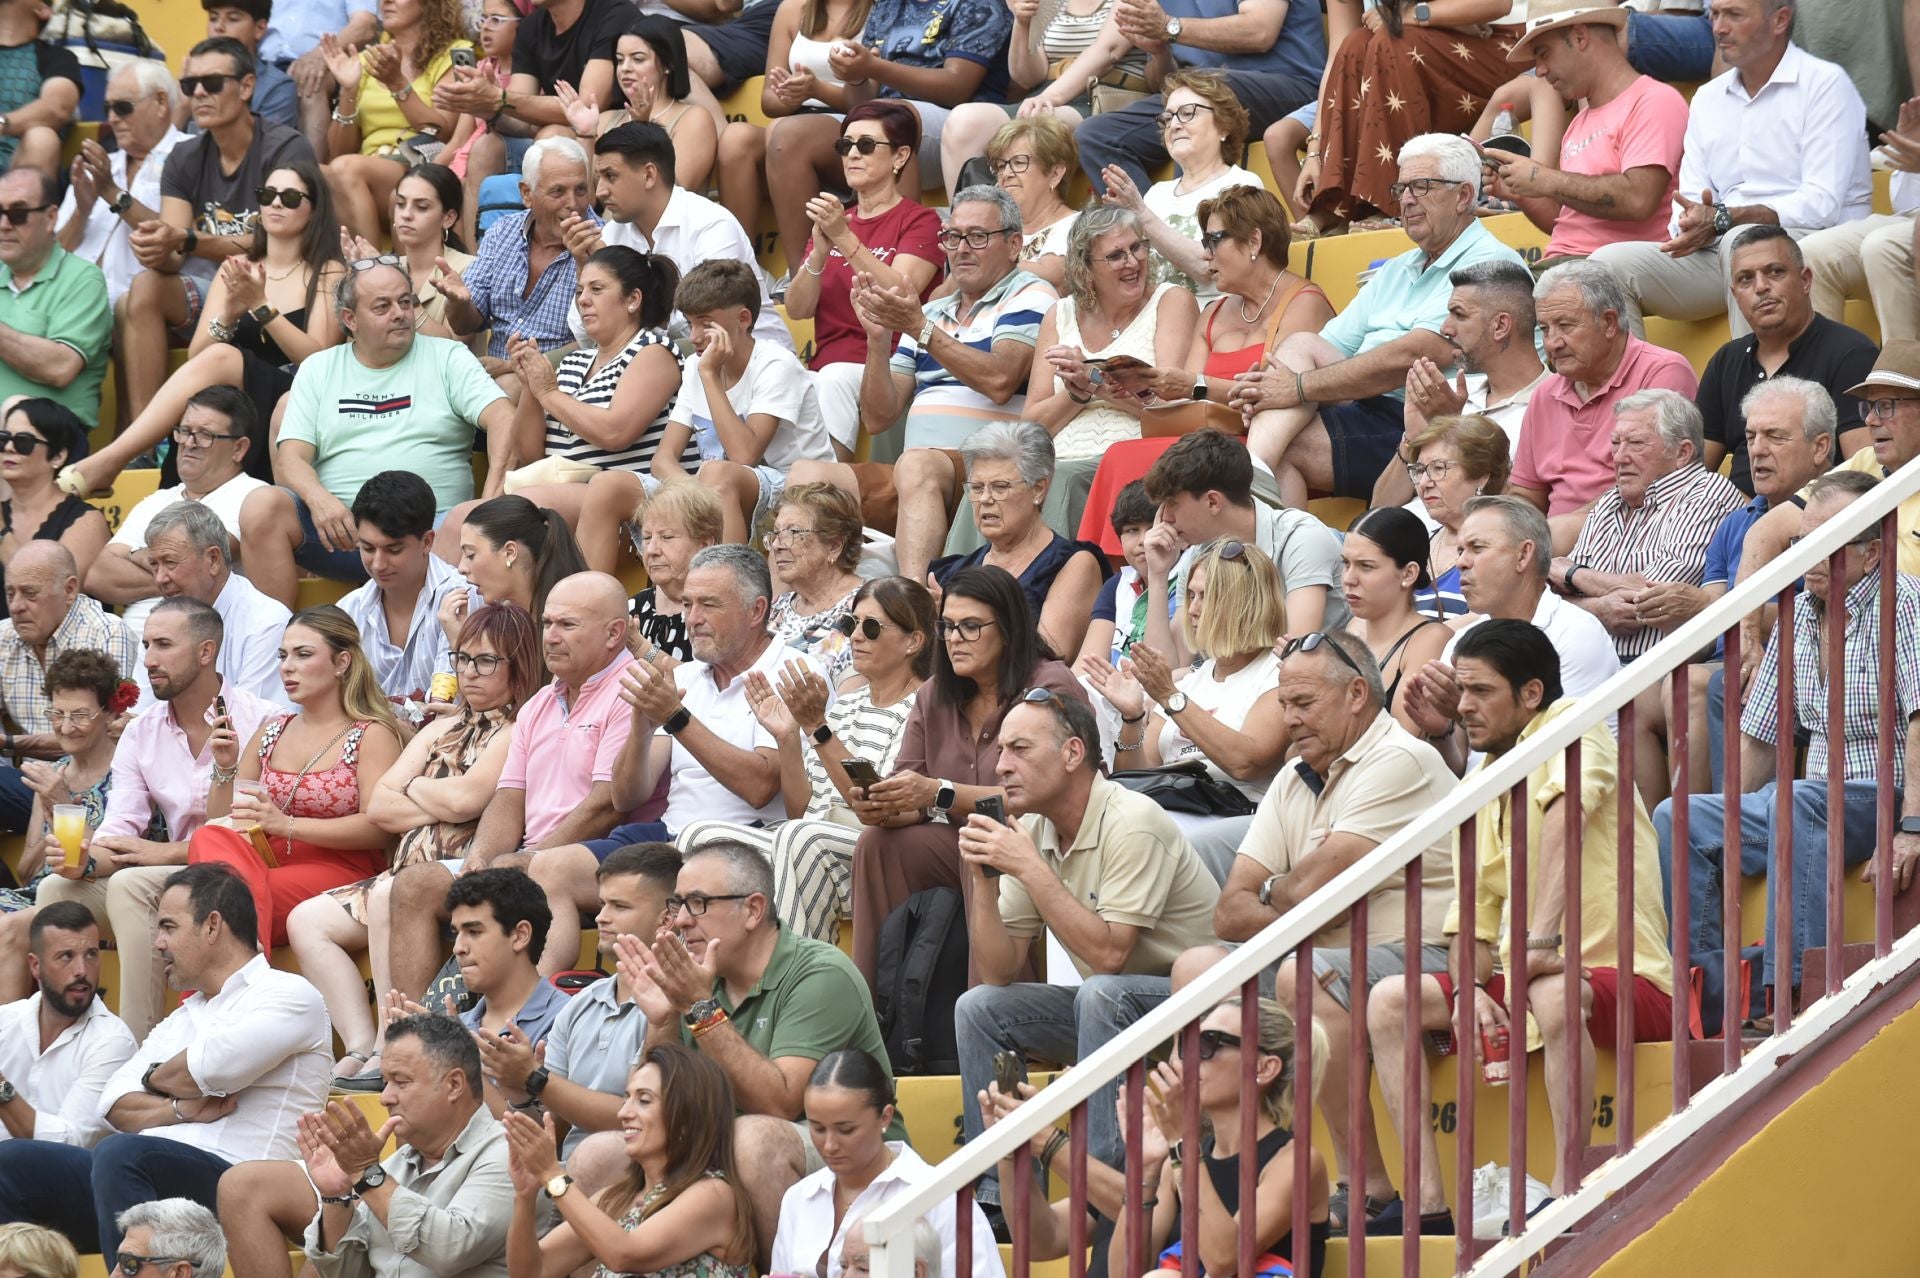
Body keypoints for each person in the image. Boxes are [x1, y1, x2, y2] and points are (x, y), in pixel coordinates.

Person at [1372, 620, 1673, 1220]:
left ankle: (1568, 1190)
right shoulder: (1485, 774)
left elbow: (1567, 823)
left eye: (1480, 692)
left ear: (1530, 694)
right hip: (1530, 979)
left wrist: (1537, 943)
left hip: (1627, 976)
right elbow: (1470, 921)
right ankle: (1428, 1204)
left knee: (1552, 988)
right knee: (1388, 1000)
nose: (1464, 707)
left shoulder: (1575, 724)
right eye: (1461, 692)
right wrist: (1469, 990)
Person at [1183, 628, 1454, 1236]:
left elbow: (1304, 893)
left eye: (1303, 703)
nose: (1289, 719)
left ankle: (1364, 1185)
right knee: (1195, 968)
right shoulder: (1293, 776)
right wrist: (1304, 901)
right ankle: (1220, 1175)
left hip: (1426, 953)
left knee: (1308, 973)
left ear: (1358, 693)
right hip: (1330, 953)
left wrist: (1286, 894)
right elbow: (1231, 911)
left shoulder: (1400, 760)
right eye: (1283, 704)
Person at [1660, 471, 1920, 1004]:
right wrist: (1733, 808)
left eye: (1825, 544)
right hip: (1811, 803)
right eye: (1803, 542)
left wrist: (1914, 827)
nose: (1808, 556)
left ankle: (1793, 986)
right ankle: (1712, 996)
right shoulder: (1798, 610)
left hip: (1886, 795)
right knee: (1678, 816)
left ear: (1871, 554)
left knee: (1796, 799)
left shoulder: (1906, 601)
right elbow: (1761, 733)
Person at [952, 686, 1219, 1205]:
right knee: (979, 1008)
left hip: (1201, 1009)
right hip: (1117, 1010)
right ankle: (998, 1192)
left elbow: (1109, 956)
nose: (1002, 766)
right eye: (1001, 750)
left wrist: (1028, 866)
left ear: (1074, 753)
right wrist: (983, 883)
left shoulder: (1132, 820)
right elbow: (1000, 971)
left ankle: (1107, 1193)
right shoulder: (1033, 828)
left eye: (1020, 750)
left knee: (1102, 992)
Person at [0, 864, 331, 1256]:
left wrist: (153, 1078)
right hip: (143, 1179)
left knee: (120, 1153)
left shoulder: (289, 993)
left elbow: (208, 1070)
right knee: (12, 1161)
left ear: (212, 926)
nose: (158, 943)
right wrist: (180, 1109)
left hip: (237, 1184)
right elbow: (113, 1103)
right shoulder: (182, 1017)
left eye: (169, 927)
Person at [530, 546, 827, 971]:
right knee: (549, 867)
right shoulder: (685, 677)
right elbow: (627, 796)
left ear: (756, 609)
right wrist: (640, 726)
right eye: (687, 603)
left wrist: (675, 716)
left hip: (743, 843)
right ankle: (543, 1007)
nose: (691, 618)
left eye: (709, 605)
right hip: (670, 838)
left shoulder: (794, 673)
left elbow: (761, 787)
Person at [619, 839, 903, 1267]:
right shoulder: (696, 979)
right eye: (677, 903)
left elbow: (781, 1104)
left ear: (753, 909)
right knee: (596, 1157)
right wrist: (663, 1020)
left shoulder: (819, 972)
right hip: (725, 1148)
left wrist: (700, 1009)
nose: (679, 920)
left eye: (697, 903)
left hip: (847, 1151)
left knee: (753, 1141)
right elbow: (660, 1106)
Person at [296, 601, 540, 1090]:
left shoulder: (517, 730)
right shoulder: (439, 727)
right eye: (462, 659)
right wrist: (442, 800)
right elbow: (381, 808)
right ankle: (363, 1041)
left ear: (519, 666)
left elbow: (472, 797)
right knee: (305, 920)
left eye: (486, 661)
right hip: (401, 869)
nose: (470, 672)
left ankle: (392, 1042)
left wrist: (419, 791)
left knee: (392, 892)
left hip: (453, 871)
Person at [382, 573, 633, 1010]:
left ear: (614, 632)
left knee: (538, 871)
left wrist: (529, 858)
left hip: (596, 854)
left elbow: (605, 804)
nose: (551, 637)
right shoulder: (539, 703)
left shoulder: (630, 690)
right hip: (525, 854)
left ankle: (519, 1019)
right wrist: (481, 858)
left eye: (567, 626)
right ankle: (412, 1032)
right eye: (547, 624)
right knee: (413, 885)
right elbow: (508, 797)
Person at [29, 599, 275, 1042]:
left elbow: (252, 829)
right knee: (55, 887)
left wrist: (164, 851)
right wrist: (85, 859)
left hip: (236, 873)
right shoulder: (142, 732)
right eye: (146, 645)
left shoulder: (262, 719)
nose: (149, 659)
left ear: (206, 652)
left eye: (163, 645)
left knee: (129, 886)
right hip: (174, 876)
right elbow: (120, 827)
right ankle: (65, 1037)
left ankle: (135, 1044)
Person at [1240, 134, 1529, 508]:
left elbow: (1413, 358)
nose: (1406, 199)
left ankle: (1261, 490)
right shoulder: (1398, 268)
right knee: (1299, 347)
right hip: (1373, 405)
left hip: (1440, 419)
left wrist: (1295, 388)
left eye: (1421, 186)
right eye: (1401, 188)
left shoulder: (1488, 263)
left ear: (1463, 196)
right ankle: (1257, 471)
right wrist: (1270, 387)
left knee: (1287, 441)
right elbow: (1327, 348)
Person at [845, 567, 1088, 984]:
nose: (955, 639)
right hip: (959, 842)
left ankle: (1001, 1015)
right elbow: (915, 799)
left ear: (1009, 629)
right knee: (877, 845)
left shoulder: (1049, 687)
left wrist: (939, 792)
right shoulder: (933, 694)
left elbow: (1043, 796)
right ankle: (874, 1016)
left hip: (1043, 840)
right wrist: (885, 803)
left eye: (971, 627)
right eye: (948, 627)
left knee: (981, 844)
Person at [1588, 0, 1873, 337]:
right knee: (1606, 265)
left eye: (1734, 15)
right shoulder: (1707, 99)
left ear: (1780, 20)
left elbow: (1822, 205)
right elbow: (1689, 201)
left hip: (1815, 244)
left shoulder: (1825, 83)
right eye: (1715, 15)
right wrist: (1691, 224)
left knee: (1744, 242)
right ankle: (1645, 390)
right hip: (1722, 245)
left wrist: (1727, 218)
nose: (1719, 28)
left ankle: (1756, 387)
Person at [679, 576, 933, 942]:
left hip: (878, 851)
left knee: (802, 838)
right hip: (811, 840)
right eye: (850, 624)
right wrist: (787, 739)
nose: (856, 636)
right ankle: (704, 983)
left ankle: (795, 987)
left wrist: (818, 728)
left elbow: (878, 807)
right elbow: (803, 810)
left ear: (914, 641)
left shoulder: (925, 706)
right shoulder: (846, 704)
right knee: (699, 837)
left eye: (872, 627)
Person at [1005, 997, 1329, 1277]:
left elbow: (1223, 1258)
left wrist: (1181, 1143)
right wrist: (1144, 1169)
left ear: (1264, 1067)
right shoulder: (1176, 1162)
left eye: (1208, 1044)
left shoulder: (1296, 1161)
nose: (1189, 1059)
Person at [1633, 377, 1838, 803]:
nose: (1757, 450)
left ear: (1820, 448)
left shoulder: (1840, 518)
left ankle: (1707, 838)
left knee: (1688, 684)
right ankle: (1660, 842)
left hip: (1806, 667)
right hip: (1730, 659)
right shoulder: (1736, 521)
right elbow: (1711, 610)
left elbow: (1817, 615)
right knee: (1632, 700)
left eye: (1775, 437)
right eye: (1750, 437)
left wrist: (1714, 609)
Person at [92, 159, 347, 499]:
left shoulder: (328, 270)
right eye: (267, 194)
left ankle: (114, 458)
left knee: (226, 357)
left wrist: (262, 308)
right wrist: (227, 314)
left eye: (289, 198)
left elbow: (320, 357)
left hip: (293, 401)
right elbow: (200, 358)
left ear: (314, 211)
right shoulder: (238, 269)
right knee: (215, 371)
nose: (275, 203)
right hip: (238, 405)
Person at [253, 258, 516, 585]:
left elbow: (504, 416)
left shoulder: (448, 357)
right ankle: (278, 634)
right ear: (350, 319)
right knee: (261, 506)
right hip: (344, 534)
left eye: (405, 302)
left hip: (433, 538)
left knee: (466, 519)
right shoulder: (318, 368)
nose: (400, 313)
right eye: (382, 307)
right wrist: (319, 500)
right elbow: (291, 457)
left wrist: (490, 500)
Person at [216, 1012, 513, 1278]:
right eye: (385, 1082)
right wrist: (336, 1198)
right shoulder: (395, 1165)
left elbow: (448, 1249)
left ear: (454, 1085)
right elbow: (349, 1274)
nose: (385, 1097)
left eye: (401, 1081)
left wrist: (368, 1174)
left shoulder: (506, 1152)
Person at [122, 38, 317, 434]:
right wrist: (156, 242)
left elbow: (277, 240)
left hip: (278, 281)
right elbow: (175, 253)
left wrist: (188, 239)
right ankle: (148, 441)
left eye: (211, 83)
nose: (198, 93)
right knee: (142, 289)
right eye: (189, 84)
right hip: (215, 285)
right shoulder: (185, 155)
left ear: (246, 86)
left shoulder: (284, 146)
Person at [188, 605, 406, 951]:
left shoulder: (371, 734)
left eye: (303, 655)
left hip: (341, 867)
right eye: (283, 655)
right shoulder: (272, 730)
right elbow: (227, 818)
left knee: (222, 905)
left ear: (342, 662)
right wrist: (226, 767)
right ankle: (240, 973)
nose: (287, 666)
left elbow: (379, 828)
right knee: (210, 838)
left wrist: (286, 825)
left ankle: (230, 988)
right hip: (263, 859)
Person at [1086, 538, 1289, 880]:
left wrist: (1169, 697)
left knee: (1142, 846)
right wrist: (1133, 717)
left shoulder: (1277, 673)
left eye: (1205, 596)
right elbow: (1138, 775)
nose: (1192, 609)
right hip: (1172, 810)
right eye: (1191, 595)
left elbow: (1246, 763)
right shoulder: (1191, 682)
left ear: (1244, 604)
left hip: (1238, 816)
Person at [759, 0, 1015, 255]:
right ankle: (804, 274)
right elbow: (859, 103)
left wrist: (875, 68)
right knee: (788, 137)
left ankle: (905, 264)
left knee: (888, 120)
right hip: (886, 117)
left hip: (959, 127)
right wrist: (857, 76)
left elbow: (956, 86)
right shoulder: (888, 5)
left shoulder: (981, 4)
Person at [849, 187, 1057, 497]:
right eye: (953, 237)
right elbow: (878, 418)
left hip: (993, 473)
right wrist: (878, 341)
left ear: (1014, 245)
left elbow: (1000, 380)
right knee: (808, 475)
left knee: (918, 466)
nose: (961, 249)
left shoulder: (1031, 294)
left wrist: (921, 328)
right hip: (915, 473)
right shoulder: (931, 312)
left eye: (977, 237)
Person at [1401, 496, 1622, 773]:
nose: (1461, 563)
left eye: (1477, 548)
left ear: (1523, 555)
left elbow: (1556, 764)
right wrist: (1441, 731)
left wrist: (1465, 713)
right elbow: (1462, 769)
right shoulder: (1461, 641)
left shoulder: (1576, 633)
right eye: (1460, 551)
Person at [501, 1043, 755, 1278]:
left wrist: (553, 1176)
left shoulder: (714, 1195)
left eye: (643, 1100)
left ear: (688, 1117)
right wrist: (525, 1195)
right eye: (626, 1099)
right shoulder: (616, 1199)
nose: (624, 1113)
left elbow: (624, 1254)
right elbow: (532, 1272)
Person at [500, 844, 678, 1170]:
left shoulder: (680, 1001)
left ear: (666, 918)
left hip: (637, 1173)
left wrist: (536, 1079)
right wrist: (520, 1094)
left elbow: (641, 1117)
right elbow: (550, 1131)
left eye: (619, 906)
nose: (601, 917)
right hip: (566, 1175)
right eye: (602, 904)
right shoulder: (580, 1004)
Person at [778, 103, 943, 454]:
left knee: (833, 379)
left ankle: (823, 491)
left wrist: (843, 238)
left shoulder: (920, 220)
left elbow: (900, 290)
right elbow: (797, 308)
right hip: (825, 365)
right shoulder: (837, 220)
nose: (852, 154)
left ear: (900, 157)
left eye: (866, 145)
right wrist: (820, 252)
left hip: (890, 363)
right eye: (845, 146)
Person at [1476, 0, 1687, 266]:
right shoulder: (1578, 123)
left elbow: (1638, 199)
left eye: (1544, 53)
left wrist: (1542, 178)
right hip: (1570, 270)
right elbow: (1566, 223)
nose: (1539, 70)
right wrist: (1520, 193)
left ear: (1579, 37)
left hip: (1608, 272)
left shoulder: (1654, 100)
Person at [485, 245, 682, 527]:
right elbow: (530, 454)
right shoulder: (573, 362)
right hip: (558, 492)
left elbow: (615, 432)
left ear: (633, 300)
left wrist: (548, 393)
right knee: (461, 517)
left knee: (507, 519)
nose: (583, 300)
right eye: (579, 292)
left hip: (628, 502)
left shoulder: (654, 351)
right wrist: (530, 385)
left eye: (597, 289)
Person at [1098, 185, 1332, 422]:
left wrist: (1196, 385)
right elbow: (1185, 401)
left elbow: (1273, 393)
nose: (1206, 254)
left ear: (1253, 241)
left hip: (1263, 445)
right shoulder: (1212, 313)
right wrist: (1142, 390)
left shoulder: (1304, 303)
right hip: (1205, 441)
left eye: (1213, 241)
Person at [1509, 260, 1699, 549]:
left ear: (1609, 322)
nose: (1552, 343)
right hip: (1550, 550)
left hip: (1634, 541)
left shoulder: (1662, 371)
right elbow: (1526, 495)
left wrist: (1564, 532)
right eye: (1545, 329)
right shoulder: (1545, 393)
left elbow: (1654, 484)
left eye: (1565, 326)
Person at [1290, 0, 1518, 237]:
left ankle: (1390, 203)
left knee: (1389, 41)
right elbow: (1338, 55)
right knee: (1355, 45)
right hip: (1416, 49)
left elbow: (1497, 4)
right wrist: (1315, 149)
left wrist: (1408, 15)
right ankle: (1335, 207)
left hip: (1503, 45)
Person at [1550, 389, 1745, 662]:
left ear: (1682, 453)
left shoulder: (1707, 492)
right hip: (1580, 658)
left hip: (1646, 671)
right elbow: (1549, 599)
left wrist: (1570, 572)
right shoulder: (1611, 499)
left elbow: (1646, 600)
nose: (1619, 457)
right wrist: (1598, 605)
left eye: (1636, 443)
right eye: (1616, 443)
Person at [770, 1051, 1002, 1278]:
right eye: (817, 1128)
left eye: (846, 1129)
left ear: (885, 1117)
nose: (829, 1145)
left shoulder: (942, 1201)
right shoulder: (798, 1198)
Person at [569, 123, 792, 355]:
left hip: (752, 364)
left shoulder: (712, 225)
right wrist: (585, 267)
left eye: (610, 176)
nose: (601, 191)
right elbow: (586, 335)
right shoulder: (611, 234)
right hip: (662, 363)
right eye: (599, 178)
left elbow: (708, 327)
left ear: (648, 175)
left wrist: (616, 287)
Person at [649, 260, 830, 545]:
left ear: (743, 319)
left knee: (717, 473)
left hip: (800, 487)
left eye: (706, 324)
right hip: (717, 483)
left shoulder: (775, 364)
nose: (694, 337)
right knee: (611, 485)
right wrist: (692, 493)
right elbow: (663, 459)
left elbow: (744, 456)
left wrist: (709, 375)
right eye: (689, 323)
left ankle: (726, 582)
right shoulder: (696, 364)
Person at [1070, 0, 1323, 199]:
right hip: (1203, 93)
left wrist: (1170, 27)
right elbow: (1163, 81)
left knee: (1195, 101)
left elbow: (1260, 30)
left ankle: (1198, 233)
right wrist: (1159, 52)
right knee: (1095, 135)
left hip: (1292, 89)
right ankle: (1160, 242)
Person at [1695, 225, 1878, 493]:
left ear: (1805, 280)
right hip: (1733, 520)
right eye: (1746, 279)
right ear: (1735, 295)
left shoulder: (1851, 354)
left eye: (1775, 272)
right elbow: (1694, 475)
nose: (1760, 287)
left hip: (1815, 522)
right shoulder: (1726, 360)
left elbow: (1863, 479)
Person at [430, 0, 626, 246]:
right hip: (548, 135)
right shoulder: (533, 26)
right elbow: (519, 113)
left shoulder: (612, 13)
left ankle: (548, 253)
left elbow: (587, 104)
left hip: (602, 136)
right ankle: (476, 259)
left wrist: (499, 98)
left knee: (550, 140)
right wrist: (487, 106)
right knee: (486, 147)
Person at [1139, 427, 1346, 656]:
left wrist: (1201, 678)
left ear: (1212, 502)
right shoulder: (1197, 557)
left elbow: (1295, 655)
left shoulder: (1302, 539)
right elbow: (1169, 669)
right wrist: (1157, 576)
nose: (1164, 517)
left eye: (1171, 503)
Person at [1026, 205, 1200, 473]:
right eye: (1116, 255)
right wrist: (1077, 390)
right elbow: (1031, 427)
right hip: (1057, 465)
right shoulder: (1059, 314)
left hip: (1136, 462)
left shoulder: (1170, 301)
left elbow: (1174, 414)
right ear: (1085, 270)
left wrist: (1095, 381)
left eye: (1136, 248)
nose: (1132, 261)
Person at [86, 387, 271, 634]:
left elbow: (206, 559)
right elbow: (97, 574)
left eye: (205, 435)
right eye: (184, 432)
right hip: (132, 647)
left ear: (239, 448)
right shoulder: (156, 500)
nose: (188, 443)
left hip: (204, 648)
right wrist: (181, 578)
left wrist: (134, 556)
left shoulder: (254, 496)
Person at [1368, 260, 1545, 519]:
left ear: (1500, 326)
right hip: (1394, 547)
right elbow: (1378, 510)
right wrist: (1413, 440)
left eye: (1459, 315)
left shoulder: (1551, 407)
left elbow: (1513, 522)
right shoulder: (1448, 392)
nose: (1445, 328)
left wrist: (1453, 428)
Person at [930, 422, 1110, 659]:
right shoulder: (951, 572)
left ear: (1038, 489)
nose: (985, 498)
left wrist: (962, 617)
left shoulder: (1074, 564)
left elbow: (1049, 659)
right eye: (976, 487)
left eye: (1000, 487)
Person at [711, 0, 874, 244]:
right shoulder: (791, 8)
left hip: (853, 124)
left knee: (785, 133)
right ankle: (738, 264)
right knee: (736, 139)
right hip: (795, 119)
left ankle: (802, 272)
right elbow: (769, 100)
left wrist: (817, 90)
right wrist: (792, 93)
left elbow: (872, 98)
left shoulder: (880, 8)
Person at [0, 543, 138, 832]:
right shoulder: (4, 636)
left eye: (30, 593)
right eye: (10, 593)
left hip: (94, 786)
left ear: (70, 590)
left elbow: (102, 733)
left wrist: (12, 745)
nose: (15, 606)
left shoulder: (107, 633)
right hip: (29, 779)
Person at [937, 13, 1140, 207]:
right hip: (1045, 95)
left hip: (1101, 94)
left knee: (1034, 127)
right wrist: (1023, 23)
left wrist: (1051, 97)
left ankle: (1015, 228)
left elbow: (1110, 50)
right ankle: (972, 231)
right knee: (964, 122)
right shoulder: (1049, 2)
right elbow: (1027, 77)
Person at [1095, 70, 1258, 302]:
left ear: (1224, 127)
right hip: (1153, 320)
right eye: (1168, 118)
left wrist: (1141, 213)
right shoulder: (1156, 194)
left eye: (1187, 113)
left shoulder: (1242, 185)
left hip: (1210, 322)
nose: (1174, 125)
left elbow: (1209, 268)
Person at [319, 0, 472, 243]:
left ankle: (369, 269)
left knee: (345, 169)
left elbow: (443, 131)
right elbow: (337, 153)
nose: (386, 1)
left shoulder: (457, 53)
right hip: (364, 168)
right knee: (318, 174)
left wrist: (397, 84)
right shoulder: (368, 59)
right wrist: (348, 90)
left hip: (419, 161)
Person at [55, 61, 190, 314]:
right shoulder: (97, 165)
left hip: (136, 307)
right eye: (108, 108)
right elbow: (52, 255)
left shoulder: (191, 156)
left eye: (122, 107)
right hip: (67, 303)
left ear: (160, 102)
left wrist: (111, 192)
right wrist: (81, 213)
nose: (112, 118)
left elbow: (177, 241)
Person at [442, 136, 596, 358]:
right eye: (558, 192)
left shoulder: (604, 241)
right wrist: (458, 303)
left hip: (563, 381)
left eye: (581, 190)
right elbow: (465, 325)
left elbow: (600, 343)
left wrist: (513, 369)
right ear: (526, 193)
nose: (573, 204)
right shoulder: (502, 232)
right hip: (495, 378)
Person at [0, 902, 136, 1149]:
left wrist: (1, 1088)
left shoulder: (112, 1042)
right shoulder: (6, 1020)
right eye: (66, 956)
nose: (82, 971)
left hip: (57, 1183)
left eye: (92, 954)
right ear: (35, 966)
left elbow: (69, 1145)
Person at [134, 500, 290, 709]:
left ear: (213, 560)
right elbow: (141, 713)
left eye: (170, 562)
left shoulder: (268, 623)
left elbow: (256, 723)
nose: (160, 578)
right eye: (154, 565)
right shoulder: (159, 623)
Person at [335, 471, 470, 702]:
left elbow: (449, 708)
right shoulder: (349, 609)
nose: (378, 564)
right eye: (367, 548)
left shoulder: (462, 597)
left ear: (427, 542)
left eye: (393, 550)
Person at [8, 650, 134, 896]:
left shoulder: (128, 773)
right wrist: (54, 819)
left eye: (80, 715)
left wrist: (65, 806)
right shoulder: (53, 776)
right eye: (57, 714)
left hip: (89, 902)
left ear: (110, 712)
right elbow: (27, 874)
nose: (65, 727)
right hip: (37, 897)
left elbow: (118, 863)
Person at [0, 173, 111, 429]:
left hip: (48, 443)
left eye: (18, 214)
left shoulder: (83, 279)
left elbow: (60, 367)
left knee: (16, 408)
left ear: (50, 218)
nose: (4, 224)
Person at [445, 868, 571, 1089]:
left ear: (520, 935)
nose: (458, 948)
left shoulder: (568, 1019)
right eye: (456, 933)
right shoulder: (455, 1026)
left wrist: (460, 1055)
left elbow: (546, 1123)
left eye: (474, 932)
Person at [1340, 508, 1451, 735]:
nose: (1348, 579)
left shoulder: (1430, 639)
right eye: (1346, 564)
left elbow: (1402, 742)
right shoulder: (1354, 629)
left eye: (1366, 566)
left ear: (1409, 573)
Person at [575, 17, 718, 194]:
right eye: (620, 60)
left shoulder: (694, 119)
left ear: (668, 64)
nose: (625, 68)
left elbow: (671, 198)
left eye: (638, 59)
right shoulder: (604, 119)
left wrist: (642, 131)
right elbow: (585, 204)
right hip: (607, 222)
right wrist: (585, 137)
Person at [441, 496, 591, 658]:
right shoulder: (502, 626)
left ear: (510, 552)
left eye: (471, 554)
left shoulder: (572, 626)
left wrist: (460, 645)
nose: (461, 568)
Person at [1803, 147, 1920, 346]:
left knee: (1883, 247)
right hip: (1908, 213)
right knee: (1812, 254)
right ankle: (1827, 374)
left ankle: (1900, 371)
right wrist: (1905, 144)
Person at [1399, 414, 1513, 617]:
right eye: (1419, 470)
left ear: (1481, 477)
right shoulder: (1417, 543)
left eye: (1438, 468)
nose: (1424, 482)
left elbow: (1485, 622)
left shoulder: (1504, 547)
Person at [0, 402, 111, 602]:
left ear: (58, 456)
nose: (9, 447)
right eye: (3, 439)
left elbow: (50, 600)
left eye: (23, 442)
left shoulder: (86, 521)